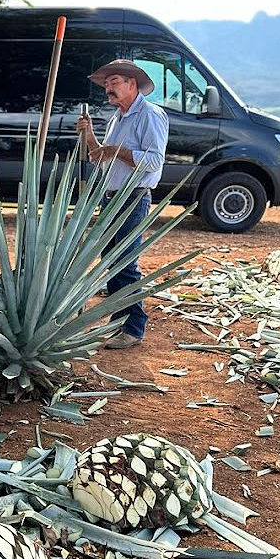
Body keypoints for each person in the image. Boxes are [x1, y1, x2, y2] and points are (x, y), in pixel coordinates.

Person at [76, 59, 169, 349]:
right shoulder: (118, 118)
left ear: (132, 83)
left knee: (125, 261)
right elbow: (101, 159)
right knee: (112, 261)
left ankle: (133, 328)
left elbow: (154, 160)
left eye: (113, 81)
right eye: (106, 84)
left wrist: (116, 150)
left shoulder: (150, 115)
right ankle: (120, 324)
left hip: (133, 197)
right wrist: (88, 134)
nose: (108, 88)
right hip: (112, 197)